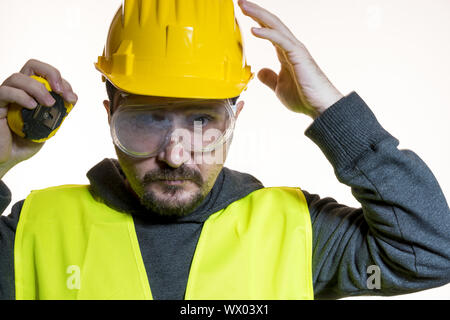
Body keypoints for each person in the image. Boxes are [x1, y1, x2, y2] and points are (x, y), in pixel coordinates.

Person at [0, 0, 449, 300]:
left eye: (201, 122)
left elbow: (432, 252)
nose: (176, 155)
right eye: (146, 119)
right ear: (109, 115)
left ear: (235, 122)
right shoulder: (34, 231)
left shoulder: (299, 232)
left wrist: (330, 110)